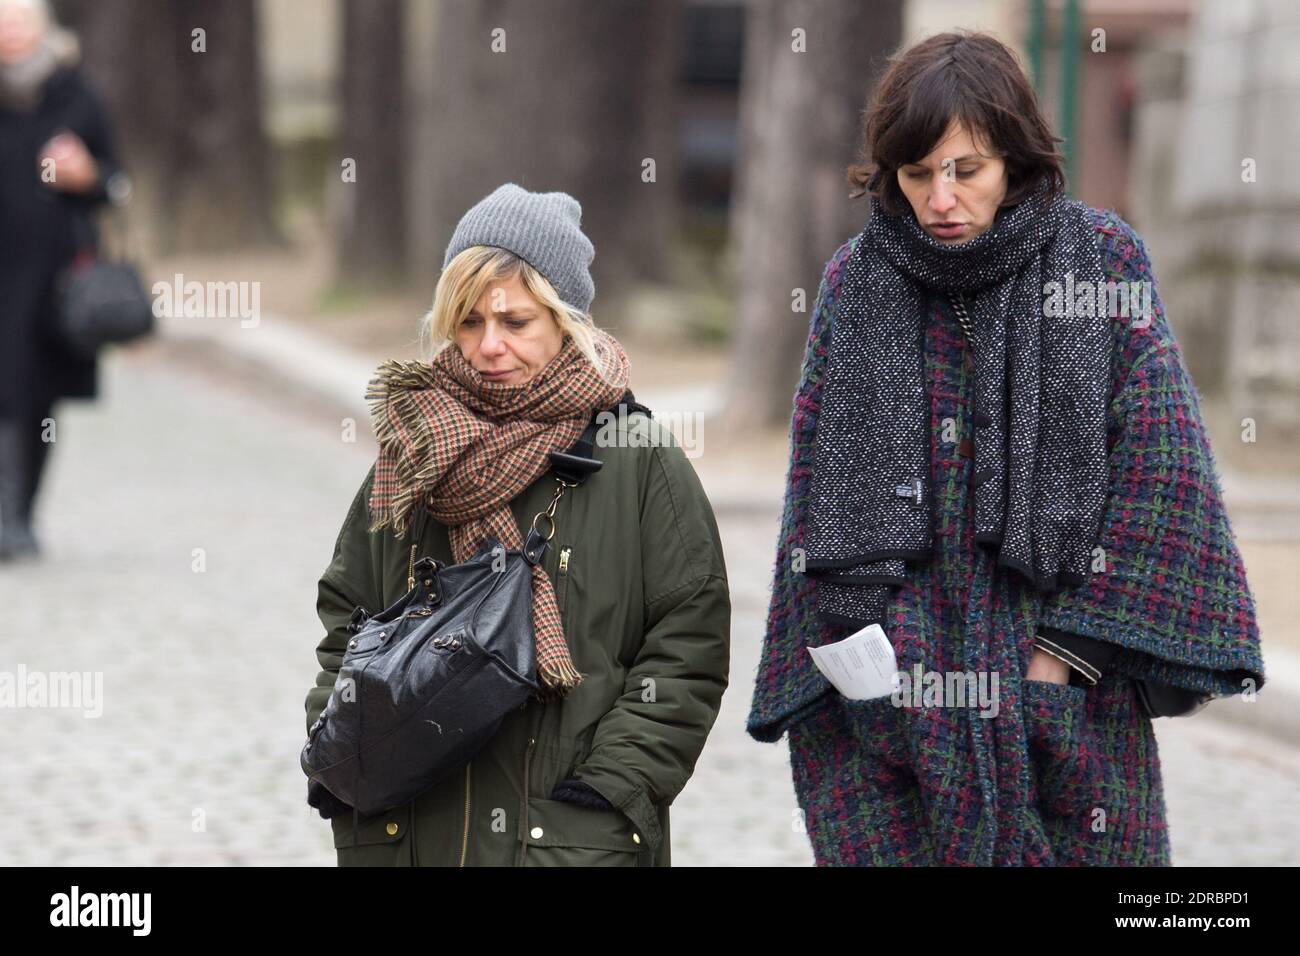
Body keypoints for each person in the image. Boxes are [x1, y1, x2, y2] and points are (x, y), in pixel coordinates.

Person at [747, 31, 1263, 866]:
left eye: (967, 170)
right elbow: (813, 493)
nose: (941, 198)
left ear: (1014, 162)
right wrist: (868, 670)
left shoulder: (1100, 260)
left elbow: (1161, 473)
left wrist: (1060, 664)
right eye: (918, 174)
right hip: (897, 696)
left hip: (1069, 686)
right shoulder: (855, 281)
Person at [303, 183, 731, 866]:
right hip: (412, 832)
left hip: (565, 840)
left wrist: (617, 786)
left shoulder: (637, 456)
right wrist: (339, 749)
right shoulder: (414, 450)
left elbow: (689, 646)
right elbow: (349, 619)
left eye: (516, 322)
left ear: (567, 320)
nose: (489, 346)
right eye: (469, 322)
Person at [0, 0, 124, 560]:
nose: (9, 32)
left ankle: (19, 514)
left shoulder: (74, 91)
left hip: (50, 274)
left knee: (35, 397)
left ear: (41, 28)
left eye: (18, 20)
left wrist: (87, 175)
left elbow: (113, 182)